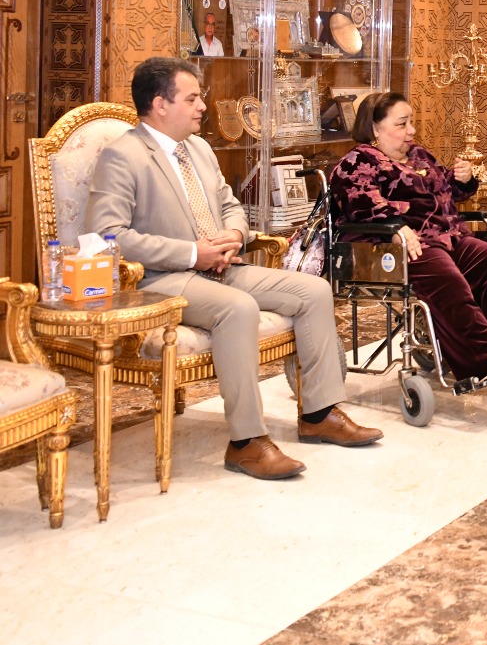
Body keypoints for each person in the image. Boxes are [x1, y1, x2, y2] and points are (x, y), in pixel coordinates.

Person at [86, 57, 383, 481]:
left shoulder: (200, 149)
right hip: (163, 278)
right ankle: (246, 442)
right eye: (191, 98)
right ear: (159, 104)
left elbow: (230, 205)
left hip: (222, 266)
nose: (202, 106)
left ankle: (318, 412)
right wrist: (192, 253)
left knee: (312, 291)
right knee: (238, 308)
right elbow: (108, 235)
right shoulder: (123, 155)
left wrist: (234, 236)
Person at [329, 92, 487, 395]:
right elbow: (358, 202)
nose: (411, 130)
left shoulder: (419, 156)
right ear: (375, 129)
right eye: (402, 124)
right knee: (445, 275)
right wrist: (394, 225)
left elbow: (447, 191)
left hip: (445, 238)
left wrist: (462, 179)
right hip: (392, 247)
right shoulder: (358, 161)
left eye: (411, 122)